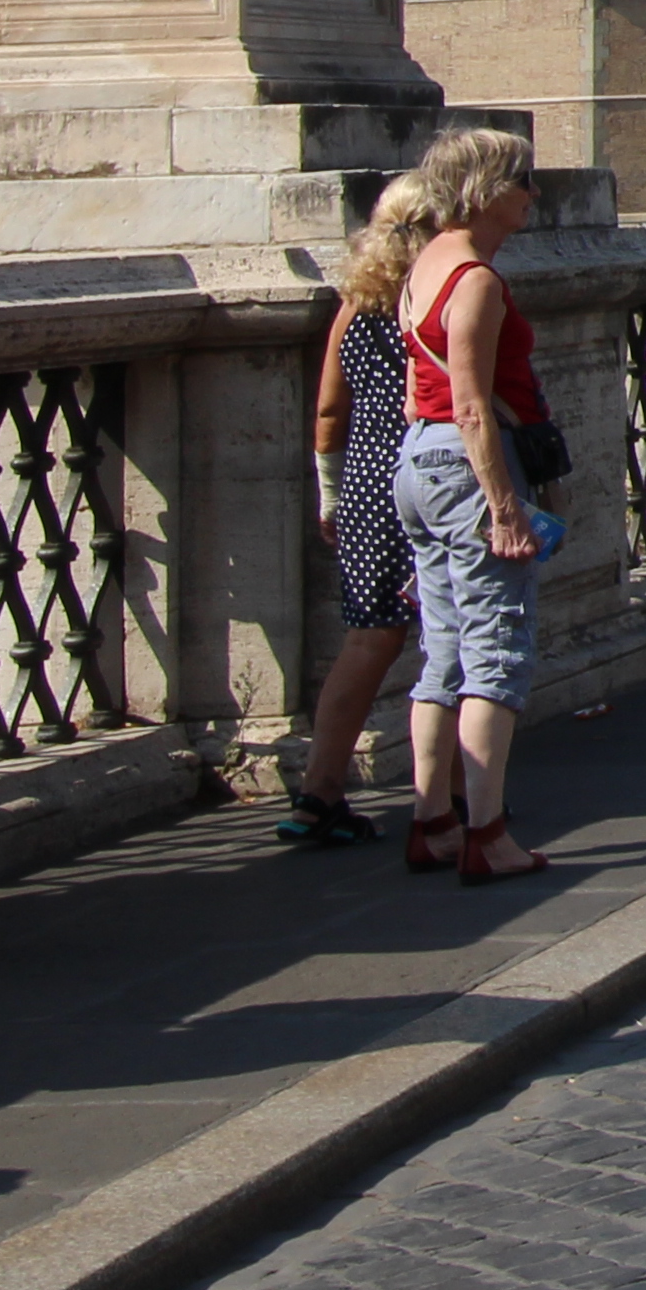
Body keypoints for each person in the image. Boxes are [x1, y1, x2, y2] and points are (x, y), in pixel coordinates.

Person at [391, 128, 565, 887]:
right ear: (489, 190)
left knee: (443, 651)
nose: (534, 194)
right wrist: (502, 509)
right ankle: (487, 834)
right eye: (524, 180)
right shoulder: (476, 282)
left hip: (418, 465)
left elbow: (417, 398)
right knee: (496, 652)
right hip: (467, 469)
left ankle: (432, 820)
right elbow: (471, 409)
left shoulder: (420, 266)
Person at [272, 185, 427, 845]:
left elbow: (330, 410)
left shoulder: (356, 303)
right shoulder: (439, 298)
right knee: (449, 640)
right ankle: (450, 795)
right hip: (427, 473)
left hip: (364, 479)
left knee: (366, 641)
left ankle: (318, 790)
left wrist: (331, 492)